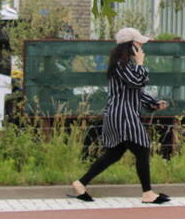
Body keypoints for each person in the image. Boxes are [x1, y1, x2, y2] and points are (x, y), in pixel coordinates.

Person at [68, 27, 171, 204]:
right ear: (130, 46)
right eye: (138, 43)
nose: (141, 47)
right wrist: (140, 63)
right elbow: (137, 81)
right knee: (142, 148)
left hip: (121, 115)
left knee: (114, 153)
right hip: (124, 116)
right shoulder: (121, 66)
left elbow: (135, 91)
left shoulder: (124, 65)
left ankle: (80, 183)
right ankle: (147, 193)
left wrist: (153, 103)